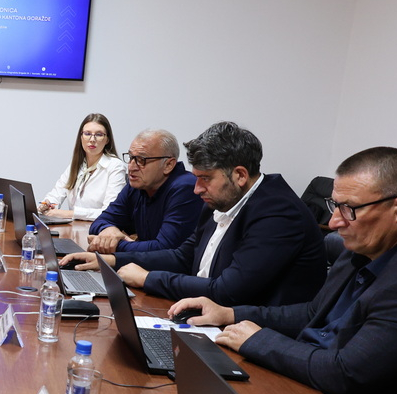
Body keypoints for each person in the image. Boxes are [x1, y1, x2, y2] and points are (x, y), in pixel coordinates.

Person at [169, 147, 397, 394]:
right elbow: (311, 314)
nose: (334, 222)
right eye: (335, 205)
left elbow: (345, 374)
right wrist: (230, 314)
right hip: (311, 393)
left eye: (349, 209)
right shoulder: (368, 245)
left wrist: (258, 340)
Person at [62, 121, 326, 307]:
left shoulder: (278, 213)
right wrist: (111, 260)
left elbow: (227, 291)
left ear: (240, 175)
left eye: (205, 178)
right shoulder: (221, 199)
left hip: (259, 335)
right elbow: (182, 257)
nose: (197, 188)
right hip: (209, 314)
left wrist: (147, 278)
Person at [87, 128, 206, 253]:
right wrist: (109, 230)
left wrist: (113, 244)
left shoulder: (186, 188)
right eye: (131, 157)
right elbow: (100, 222)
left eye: (141, 160)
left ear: (168, 165)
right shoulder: (137, 185)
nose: (131, 167)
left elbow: (164, 248)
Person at [38, 113, 127, 221]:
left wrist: (68, 214)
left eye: (99, 134)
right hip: (75, 228)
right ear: (81, 137)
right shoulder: (77, 164)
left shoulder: (115, 166)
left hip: (100, 228)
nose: (92, 139)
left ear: (107, 140)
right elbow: (56, 194)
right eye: (87, 134)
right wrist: (46, 205)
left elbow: (110, 212)